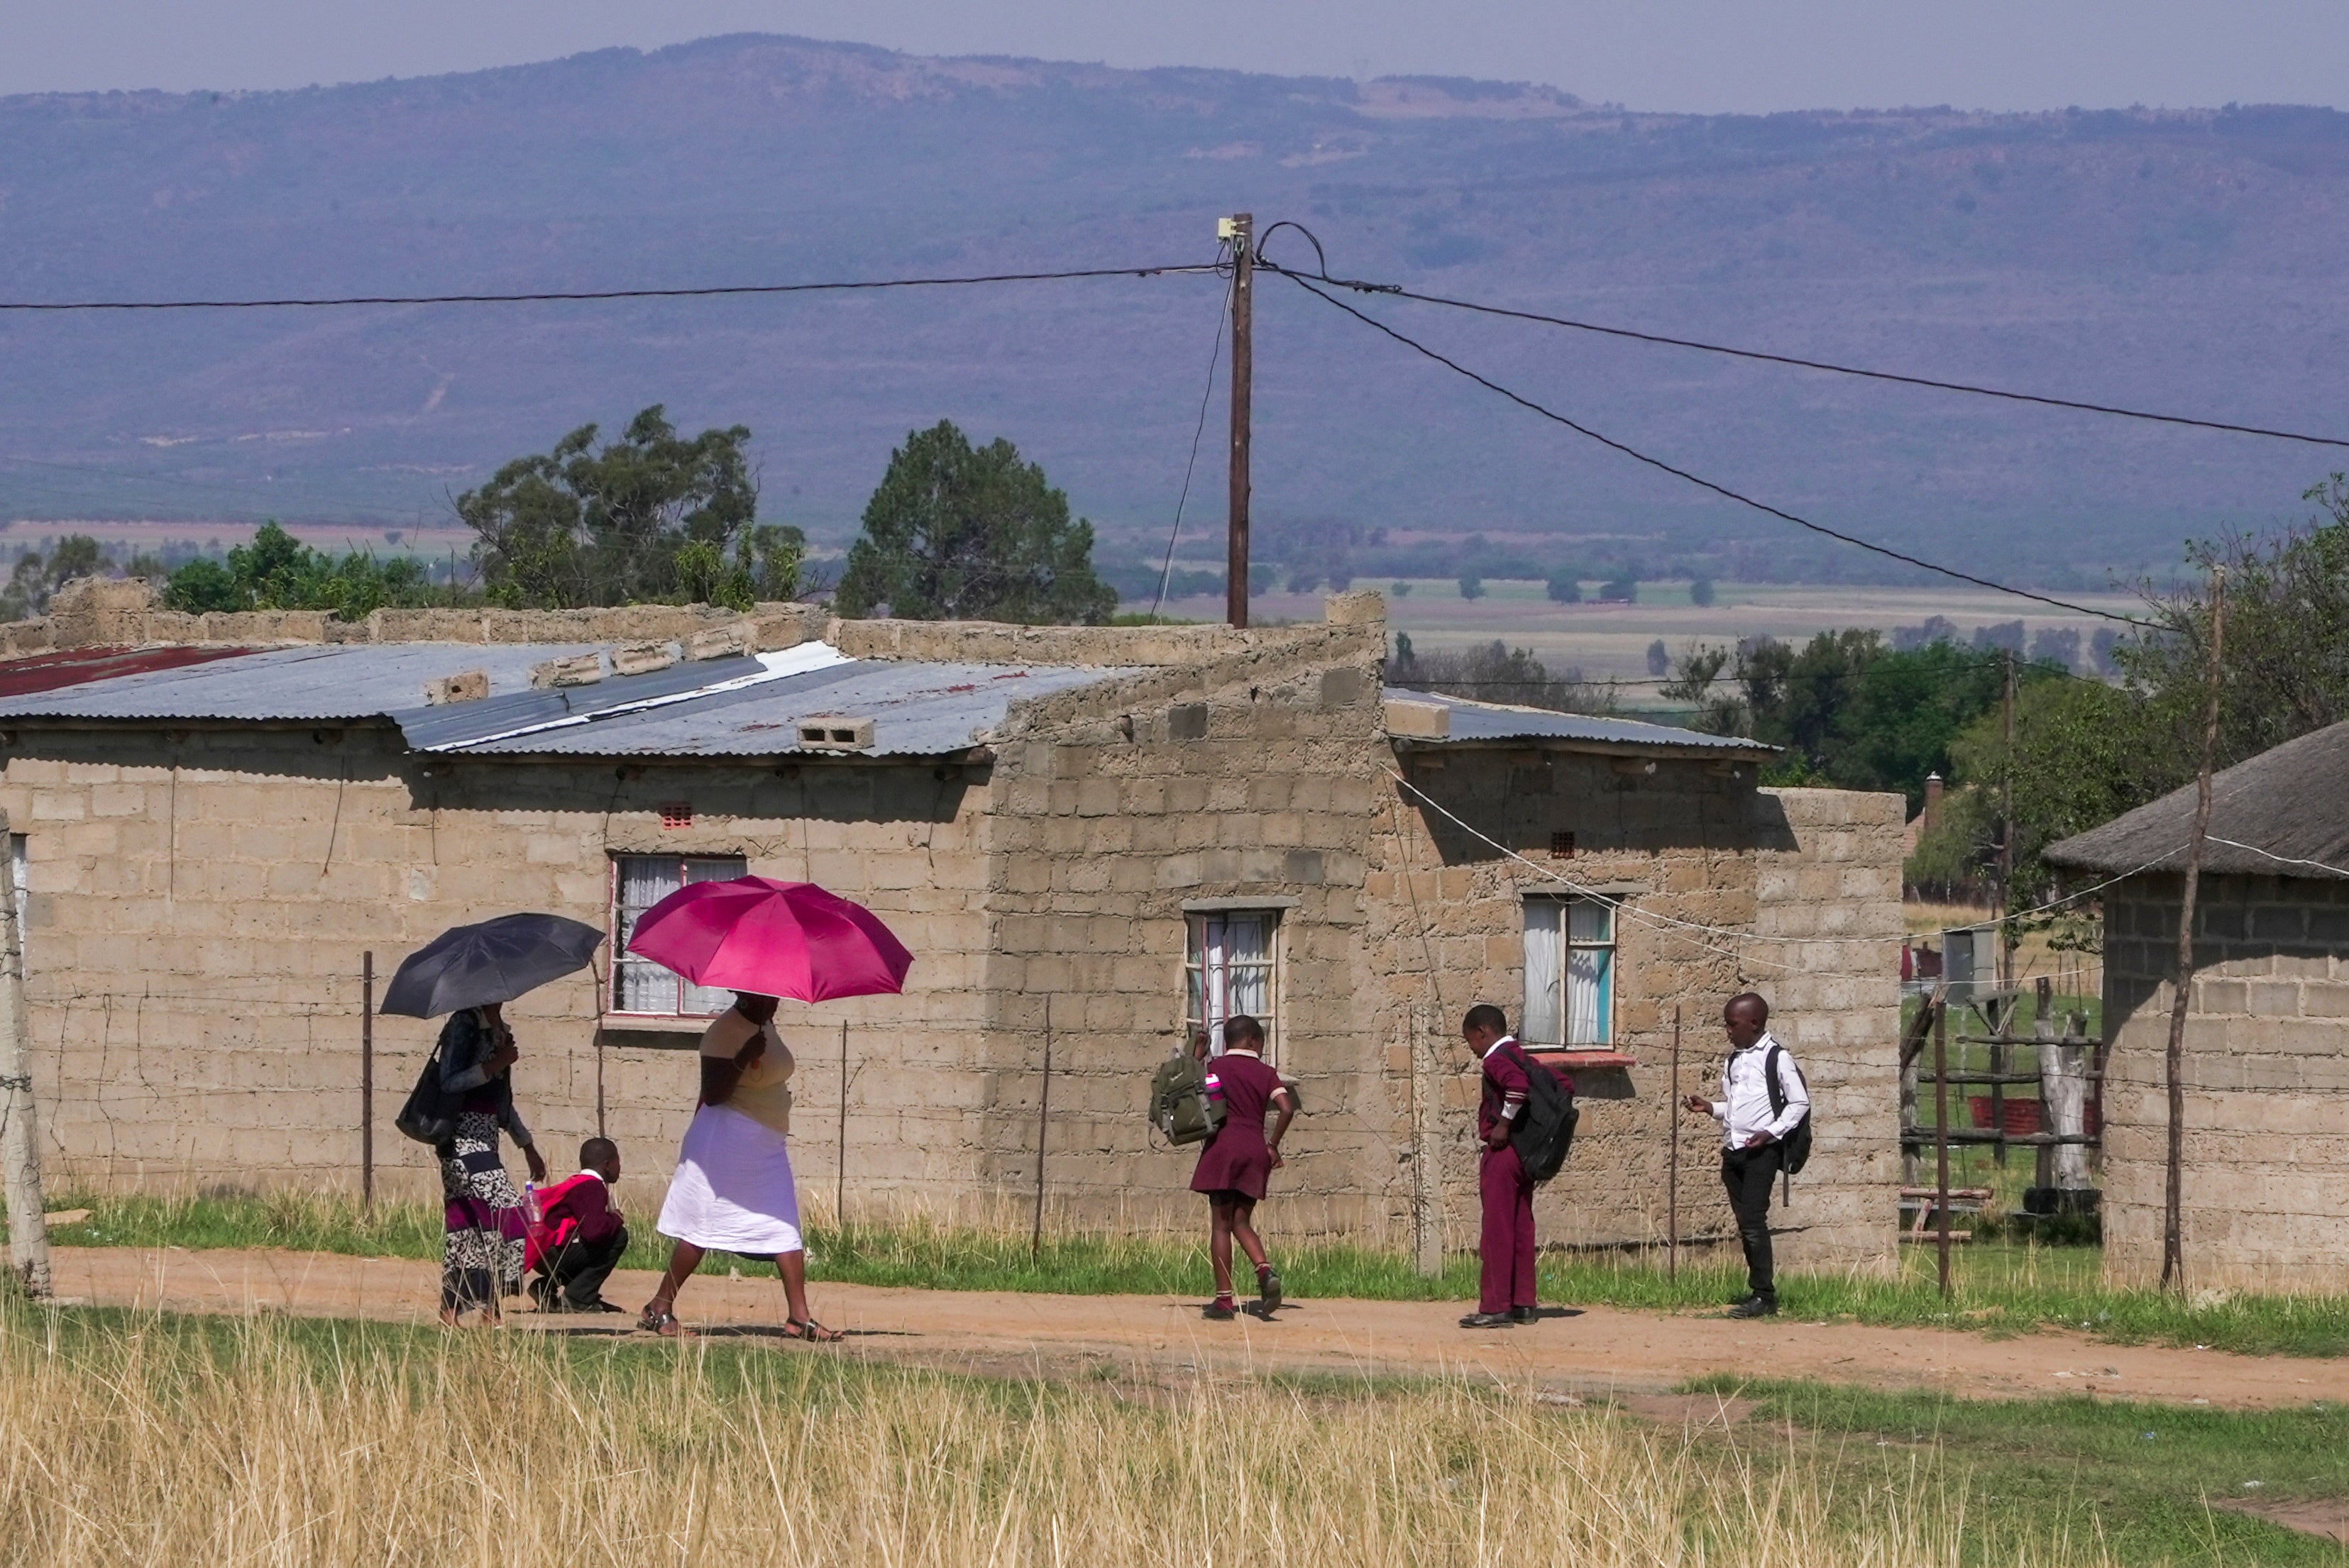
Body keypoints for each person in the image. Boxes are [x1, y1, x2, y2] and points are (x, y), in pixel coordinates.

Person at [639, 991, 841, 1342]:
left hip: (765, 1145)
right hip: (725, 1140)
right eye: (770, 999)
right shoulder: (724, 1031)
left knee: (784, 1223)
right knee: (701, 1226)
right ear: (747, 996)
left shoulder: (765, 1024)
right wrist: (744, 1057)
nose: (777, 1004)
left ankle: (799, 1318)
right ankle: (659, 1307)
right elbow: (714, 1093)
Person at [1684, 991, 1810, 1319]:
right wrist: (1710, 1108)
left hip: (1762, 1153)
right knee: (1746, 1224)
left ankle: (1764, 1296)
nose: (1727, 1030)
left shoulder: (1777, 1058)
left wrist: (1771, 1132)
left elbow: (1799, 1103)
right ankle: (1758, 1293)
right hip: (1734, 1151)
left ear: (1753, 1023)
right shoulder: (1734, 1060)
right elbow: (1736, 1108)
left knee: (1755, 1222)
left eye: (1732, 1024)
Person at [431, 1002, 546, 1327]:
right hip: (460, 1138)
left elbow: (503, 1104)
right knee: (508, 1211)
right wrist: (496, 1063)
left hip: (487, 1139)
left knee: (469, 1228)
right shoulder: (464, 1023)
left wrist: (527, 1145)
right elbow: (449, 1081)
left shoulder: (501, 1031)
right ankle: (487, 1304)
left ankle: (472, 1311)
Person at [1189, 1014, 1295, 1320]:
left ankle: (1224, 1302)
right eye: (1260, 1042)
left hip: (1222, 1147)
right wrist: (1272, 1144)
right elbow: (1286, 1108)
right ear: (1252, 1040)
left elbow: (1198, 1087)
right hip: (1254, 1149)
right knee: (1241, 1222)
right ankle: (1264, 1270)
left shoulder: (1216, 1067)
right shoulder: (1266, 1073)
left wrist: (1198, 1055)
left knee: (1221, 1224)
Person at [1460, 1003, 1539, 1329]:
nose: (1473, 1051)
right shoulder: (1521, 1054)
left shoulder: (1496, 1059)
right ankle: (1523, 1303)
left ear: (1482, 1033)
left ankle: (1495, 1306)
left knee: (1497, 1229)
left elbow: (1518, 1087)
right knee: (1522, 1226)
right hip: (1526, 1152)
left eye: (1471, 1042)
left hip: (1504, 1152)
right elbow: (1563, 1084)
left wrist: (1503, 1125)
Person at [528, 1136, 629, 1314]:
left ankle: (545, 1287)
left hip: (546, 1256)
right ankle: (579, 1298)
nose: (620, 1168)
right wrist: (615, 1219)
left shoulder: (576, 1183)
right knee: (619, 1235)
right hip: (557, 1256)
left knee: (597, 1239)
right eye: (617, 1162)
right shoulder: (592, 1188)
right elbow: (594, 1233)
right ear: (607, 1165)